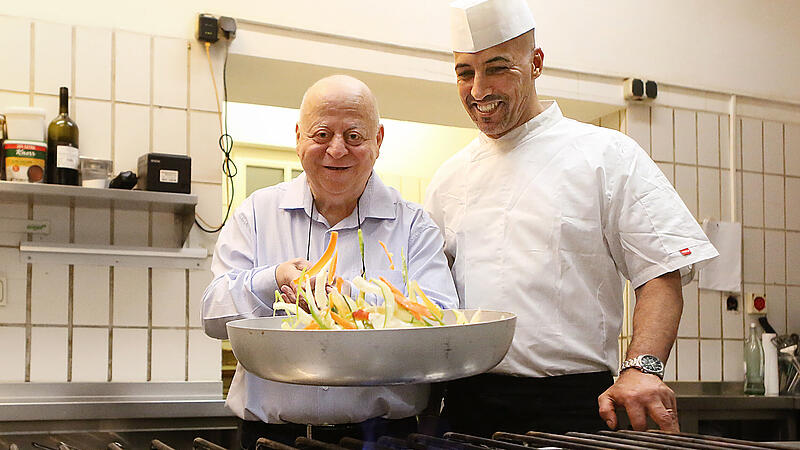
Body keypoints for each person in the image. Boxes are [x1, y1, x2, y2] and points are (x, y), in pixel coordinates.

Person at [424, 0, 719, 436]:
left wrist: (642, 368)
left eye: (498, 67)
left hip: (572, 405)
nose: (479, 89)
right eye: (465, 72)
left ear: (536, 63)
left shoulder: (606, 154)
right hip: (466, 407)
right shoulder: (448, 178)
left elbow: (661, 271)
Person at [202, 75, 459, 449]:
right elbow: (212, 316)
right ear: (298, 137)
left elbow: (441, 323)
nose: (337, 150)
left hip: (382, 438)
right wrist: (272, 279)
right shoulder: (257, 213)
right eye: (322, 135)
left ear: (378, 140)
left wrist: (343, 298)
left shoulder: (413, 225)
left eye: (354, 136)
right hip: (272, 440)